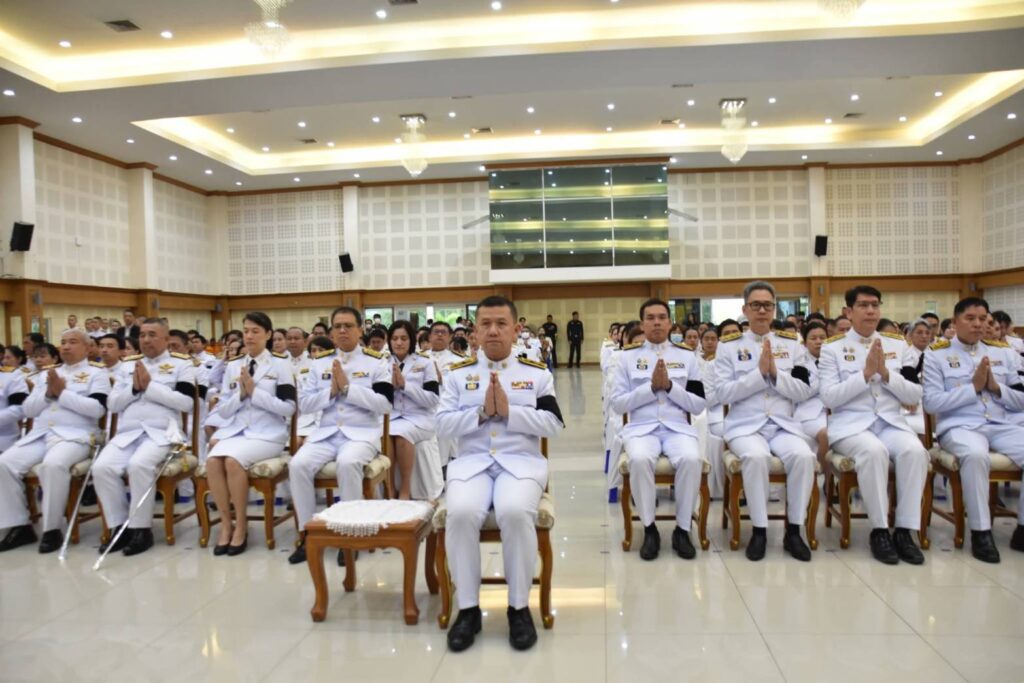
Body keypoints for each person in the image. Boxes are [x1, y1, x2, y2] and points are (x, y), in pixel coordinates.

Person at [439, 296, 563, 652]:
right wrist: (479, 413)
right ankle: (468, 610)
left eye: (501, 324)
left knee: (514, 511)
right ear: (475, 332)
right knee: (461, 513)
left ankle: (518, 608)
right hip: (472, 463)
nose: (493, 331)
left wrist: (511, 413)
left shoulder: (536, 373)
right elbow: (441, 424)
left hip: (521, 463)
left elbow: (554, 424)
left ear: (516, 329)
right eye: (485, 324)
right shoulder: (457, 375)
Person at [819, 285, 928, 565]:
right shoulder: (832, 349)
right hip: (851, 427)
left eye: (875, 305)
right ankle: (879, 530)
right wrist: (865, 374)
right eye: (863, 305)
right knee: (874, 452)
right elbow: (829, 397)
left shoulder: (898, 346)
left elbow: (914, 395)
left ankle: (905, 530)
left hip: (890, 423)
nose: (871, 311)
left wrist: (885, 374)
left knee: (915, 451)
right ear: (848, 311)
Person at [712, 281, 817, 561]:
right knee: (756, 457)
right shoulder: (728, 347)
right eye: (756, 305)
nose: (762, 311)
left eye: (767, 305)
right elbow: (723, 393)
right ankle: (759, 530)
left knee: (804, 456)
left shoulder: (792, 345)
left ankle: (794, 530)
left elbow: (803, 390)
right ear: (745, 309)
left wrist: (776, 375)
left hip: (783, 425)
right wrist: (758, 376)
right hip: (745, 426)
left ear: (774, 309)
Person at [287, 306, 392, 565]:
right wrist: (331, 393)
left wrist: (347, 388)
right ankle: (307, 534)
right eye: (337, 326)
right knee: (297, 464)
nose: (342, 330)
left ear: (360, 330)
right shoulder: (319, 363)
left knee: (348, 462)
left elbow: (385, 404)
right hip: (326, 434)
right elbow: (306, 404)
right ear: (331, 332)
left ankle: (350, 535)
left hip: (361, 434)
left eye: (348, 326)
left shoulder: (376, 361)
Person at [923, 297, 1024, 563]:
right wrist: (973, 388)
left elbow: (1021, 399)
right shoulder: (937, 354)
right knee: (976, 456)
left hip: (1001, 424)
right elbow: (932, 402)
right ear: (955, 322)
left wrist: (996, 389)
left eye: (983, 319)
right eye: (970, 318)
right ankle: (981, 532)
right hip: (960, 426)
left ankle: (1022, 530)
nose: (978, 324)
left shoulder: (1003, 353)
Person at [92, 319, 198, 556]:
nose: (146, 340)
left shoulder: (181, 364)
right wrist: (134, 389)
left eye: (152, 335)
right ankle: (119, 528)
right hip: (128, 433)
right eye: (142, 335)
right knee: (101, 467)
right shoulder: (127, 366)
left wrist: (150, 387)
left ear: (166, 339)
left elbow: (186, 403)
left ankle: (141, 530)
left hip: (162, 433)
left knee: (139, 465)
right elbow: (113, 404)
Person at [610, 298, 706, 561]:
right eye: (650, 318)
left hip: (677, 428)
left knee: (691, 459)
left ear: (670, 323)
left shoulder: (687, 356)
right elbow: (618, 403)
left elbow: (698, 404)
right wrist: (651, 388)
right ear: (642, 324)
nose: (656, 322)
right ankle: (649, 528)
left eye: (662, 317)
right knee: (640, 459)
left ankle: (683, 530)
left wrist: (671, 387)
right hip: (642, 429)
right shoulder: (627, 358)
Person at [0, 329, 108, 553]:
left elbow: (97, 409)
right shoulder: (46, 374)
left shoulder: (97, 373)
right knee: (4, 463)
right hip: (41, 434)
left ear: (87, 347)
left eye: (73, 342)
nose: (66, 346)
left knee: (52, 465)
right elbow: (29, 409)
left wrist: (63, 394)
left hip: (75, 436)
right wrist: (48, 393)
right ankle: (20, 525)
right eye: (63, 342)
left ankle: (52, 529)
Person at [205, 312, 296, 556]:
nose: (249, 336)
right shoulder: (234, 365)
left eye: (255, 331)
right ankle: (227, 525)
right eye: (246, 331)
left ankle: (241, 527)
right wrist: (241, 394)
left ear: (268, 334)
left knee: (232, 462)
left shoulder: (281, 364)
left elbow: (288, 408)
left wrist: (256, 393)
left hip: (268, 434)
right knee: (213, 461)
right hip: (237, 432)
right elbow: (223, 410)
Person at [386, 320, 440, 499]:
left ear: (411, 340)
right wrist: (390, 388)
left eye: (404, 338)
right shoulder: (382, 364)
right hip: (391, 416)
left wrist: (405, 386)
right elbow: (377, 398)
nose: (399, 343)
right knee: (386, 435)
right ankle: (389, 488)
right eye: (394, 338)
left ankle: (405, 488)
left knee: (402, 434)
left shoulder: (425, 363)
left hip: (420, 417)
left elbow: (433, 399)